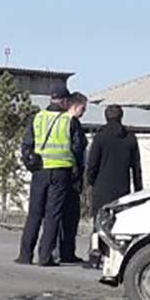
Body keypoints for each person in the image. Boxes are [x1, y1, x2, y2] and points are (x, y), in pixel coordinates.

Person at [16, 89, 88, 267]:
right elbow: (79, 147)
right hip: (61, 171)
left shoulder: (37, 117)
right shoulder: (70, 121)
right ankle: (45, 256)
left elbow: (26, 144)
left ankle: (25, 255)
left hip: (39, 171)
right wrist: (78, 171)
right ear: (64, 102)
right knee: (52, 215)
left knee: (34, 214)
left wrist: (30, 162)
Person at [86, 104, 144, 215]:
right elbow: (136, 167)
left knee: (101, 225)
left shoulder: (100, 137)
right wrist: (138, 190)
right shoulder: (130, 138)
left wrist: (91, 181)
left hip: (101, 189)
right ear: (121, 116)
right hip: (123, 189)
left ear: (105, 117)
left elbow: (92, 164)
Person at [57, 92, 89, 264]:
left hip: (62, 172)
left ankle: (63, 251)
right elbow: (78, 147)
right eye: (83, 108)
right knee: (69, 216)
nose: (84, 112)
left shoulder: (60, 121)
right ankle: (66, 252)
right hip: (71, 173)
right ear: (75, 106)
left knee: (60, 216)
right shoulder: (72, 123)